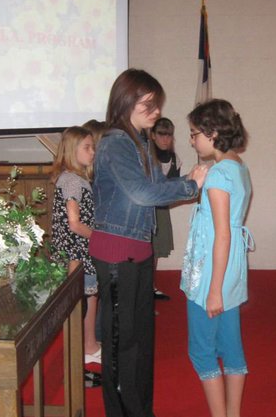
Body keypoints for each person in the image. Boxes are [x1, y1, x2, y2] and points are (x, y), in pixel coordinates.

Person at [91, 68, 208, 417]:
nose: (156, 111)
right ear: (126, 101)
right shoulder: (115, 143)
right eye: (149, 104)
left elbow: (157, 195)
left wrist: (188, 181)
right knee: (120, 346)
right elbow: (143, 194)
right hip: (116, 256)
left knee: (141, 343)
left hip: (138, 253)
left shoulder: (140, 142)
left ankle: (141, 411)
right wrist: (190, 186)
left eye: (157, 104)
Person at [181, 99, 253, 417]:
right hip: (229, 265)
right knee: (230, 343)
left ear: (211, 133)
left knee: (202, 351)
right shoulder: (236, 166)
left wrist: (213, 289)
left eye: (194, 133)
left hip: (211, 271)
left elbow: (221, 234)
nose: (192, 140)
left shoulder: (218, 174)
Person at [50, 126, 101, 388]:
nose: (92, 152)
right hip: (78, 253)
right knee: (81, 303)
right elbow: (74, 223)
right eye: (87, 147)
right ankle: (84, 349)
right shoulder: (71, 180)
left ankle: (89, 345)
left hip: (80, 251)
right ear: (72, 150)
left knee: (89, 299)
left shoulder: (75, 178)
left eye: (93, 147)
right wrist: (100, 238)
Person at [150, 117, 181, 300]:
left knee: (156, 250)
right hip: (144, 209)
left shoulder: (175, 159)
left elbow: (174, 188)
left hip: (161, 210)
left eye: (168, 135)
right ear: (153, 136)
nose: (165, 140)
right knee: (144, 250)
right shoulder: (145, 157)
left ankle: (151, 286)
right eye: (161, 135)